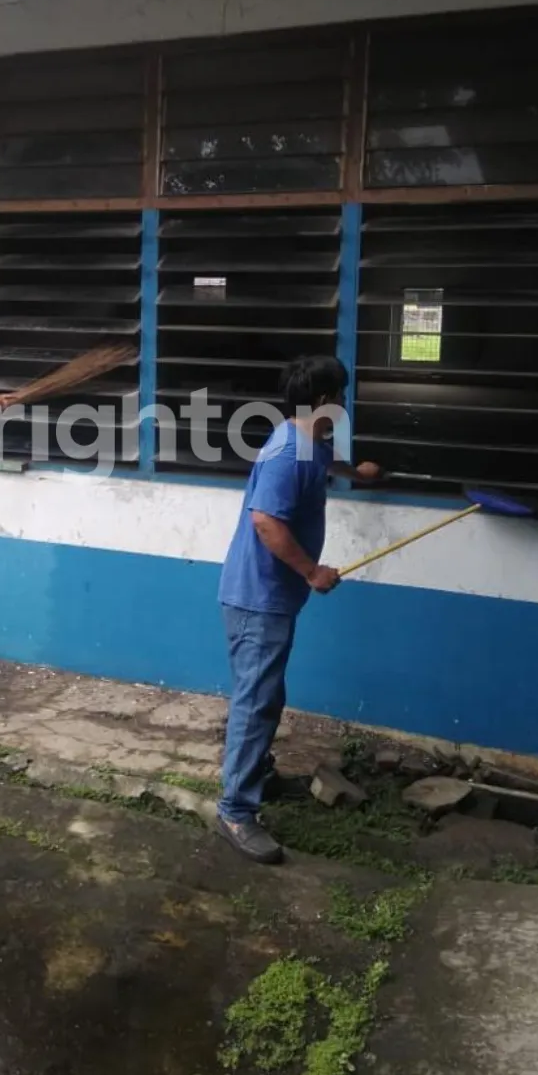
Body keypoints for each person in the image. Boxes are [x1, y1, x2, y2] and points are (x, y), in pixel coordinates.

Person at [215, 355, 382, 863]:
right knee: (256, 701)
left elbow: (321, 461)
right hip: (258, 598)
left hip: (269, 597)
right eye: (342, 395)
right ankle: (235, 811)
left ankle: (258, 777)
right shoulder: (288, 453)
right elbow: (266, 521)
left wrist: (354, 473)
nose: (346, 404)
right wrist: (312, 571)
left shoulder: (305, 438)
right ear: (325, 401)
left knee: (267, 694)